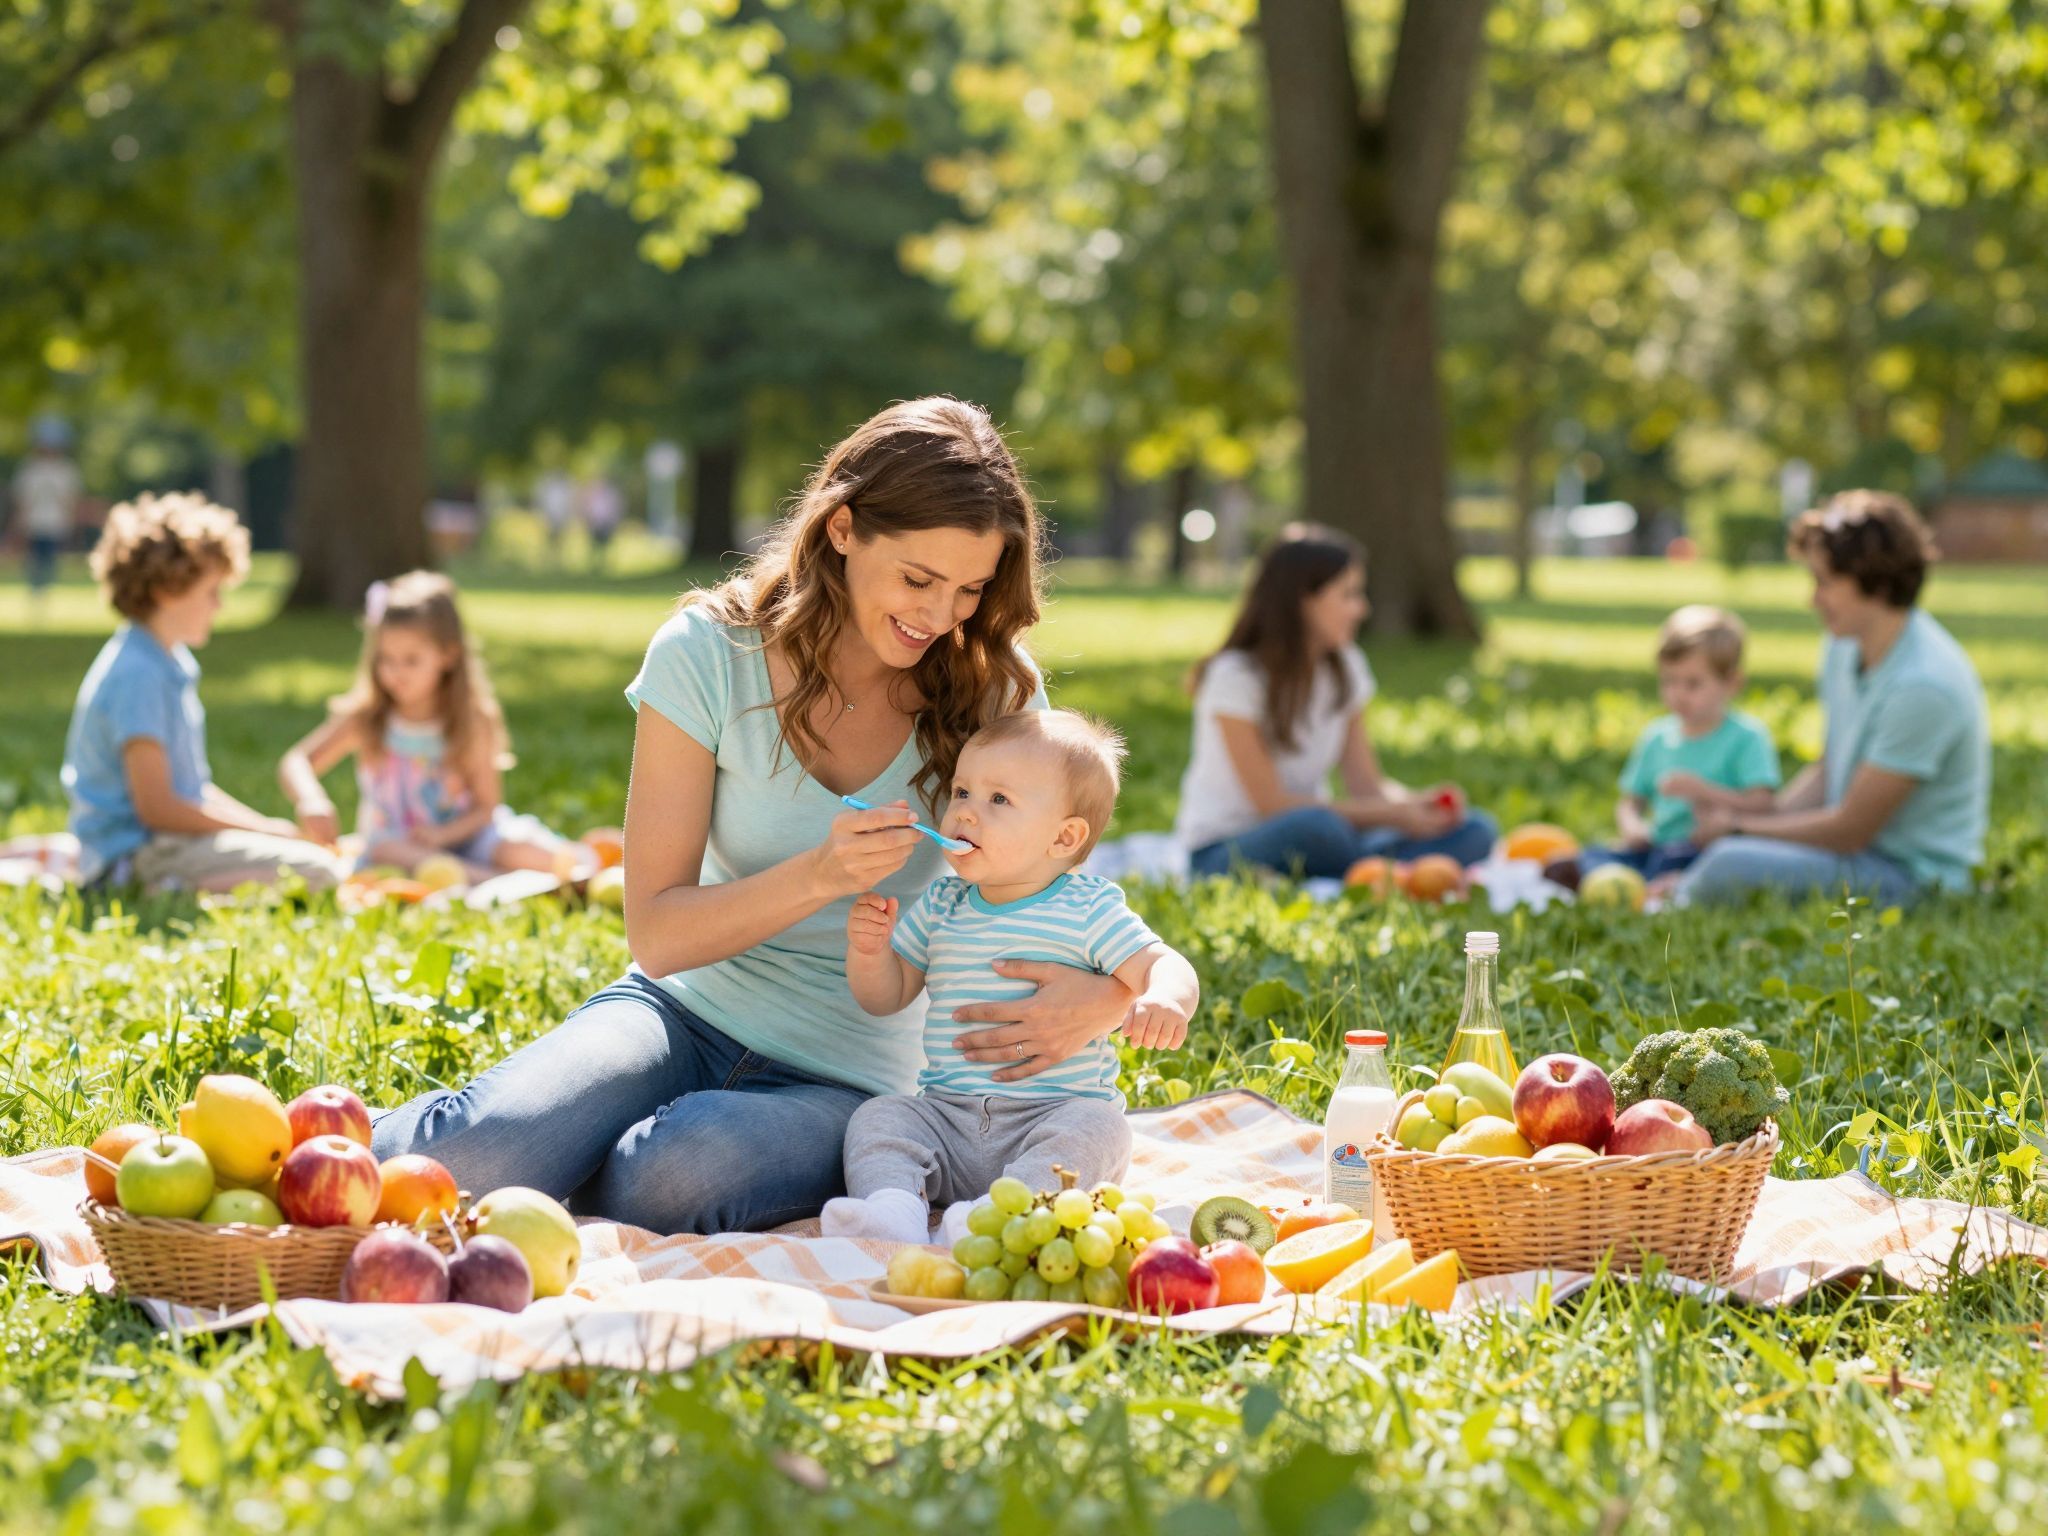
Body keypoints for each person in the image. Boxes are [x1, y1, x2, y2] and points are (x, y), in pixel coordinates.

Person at [371, 398, 1144, 1235]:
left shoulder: (997, 688)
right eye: (918, 579)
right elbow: (657, 935)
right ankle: (338, 1145)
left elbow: (1047, 887)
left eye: (969, 589)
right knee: (479, 1154)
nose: (939, 615)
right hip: (676, 1012)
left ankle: (590, 1160)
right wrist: (821, 875)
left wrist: (1111, 1000)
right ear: (843, 529)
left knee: (669, 1179)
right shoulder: (708, 652)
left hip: (851, 1072)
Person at [824, 710, 1199, 1244]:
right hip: (947, 1119)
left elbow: (1166, 963)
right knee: (881, 1117)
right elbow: (886, 996)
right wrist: (868, 950)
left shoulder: (1087, 908)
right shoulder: (941, 903)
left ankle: (1002, 1221)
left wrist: (1165, 997)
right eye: (961, 792)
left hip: (1052, 1117)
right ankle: (892, 1214)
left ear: (1064, 838)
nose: (966, 814)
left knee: (1100, 1129)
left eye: (998, 800)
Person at [1675, 491, 1989, 905]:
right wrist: (1756, 818)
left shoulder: (1924, 684)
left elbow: (1849, 830)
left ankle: (1663, 901)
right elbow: (1830, 769)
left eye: (1824, 582)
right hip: (1851, 855)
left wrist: (1737, 829)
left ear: (1873, 581)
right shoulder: (1844, 646)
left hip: (1911, 878)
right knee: (1718, 852)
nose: (1813, 599)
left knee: (1727, 864)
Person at [61, 492, 345, 892]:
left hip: (168, 843)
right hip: (139, 856)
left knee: (312, 859)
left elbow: (190, 791)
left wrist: (265, 829)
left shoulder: (167, 661)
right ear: (167, 590)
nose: (219, 606)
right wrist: (264, 831)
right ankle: (164, 890)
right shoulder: (138, 675)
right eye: (211, 592)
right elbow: (158, 807)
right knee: (320, 872)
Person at [1177, 523, 1496, 879]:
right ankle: (1375, 869)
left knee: (1476, 830)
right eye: (1348, 594)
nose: (1362, 609)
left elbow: (1367, 786)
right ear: (1303, 600)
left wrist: (1417, 805)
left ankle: (1364, 871)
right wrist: (1393, 817)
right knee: (1318, 828)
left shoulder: (1346, 666)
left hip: (1327, 835)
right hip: (1227, 850)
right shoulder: (1235, 676)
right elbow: (1270, 804)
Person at [277, 570, 571, 880]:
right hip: (398, 847)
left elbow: (487, 808)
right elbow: (297, 761)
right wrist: (311, 798)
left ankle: (586, 866)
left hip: (467, 839)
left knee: (527, 850)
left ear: (448, 655)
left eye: (411, 660)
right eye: (385, 659)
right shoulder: (367, 718)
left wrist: (443, 836)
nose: (395, 672)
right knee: (389, 851)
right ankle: (490, 881)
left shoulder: (473, 720)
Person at [1566, 606, 1780, 883]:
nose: (1678, 695)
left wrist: (1704, 792)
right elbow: (1631, 802)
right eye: (1669, 681)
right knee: (1594, 855)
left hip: (1703, 848)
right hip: (1655, 846)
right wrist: (1633, 828)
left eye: (1692, 684)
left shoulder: (1747, 737)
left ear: (1732, 683)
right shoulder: (1657, 737)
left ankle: (1662, 885)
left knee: (1707, 861)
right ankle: (1637, 882)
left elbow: (1764, 805)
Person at [11, 416, 82, 601]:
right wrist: (20, 524)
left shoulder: (66, 470)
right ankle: (35, 592)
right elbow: (23, 499)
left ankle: (43, 592)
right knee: (34, 561)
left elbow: (70, 500)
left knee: (49, 561)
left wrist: (71, 523)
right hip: (34, 523)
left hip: (55, 524)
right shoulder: (30, 469)